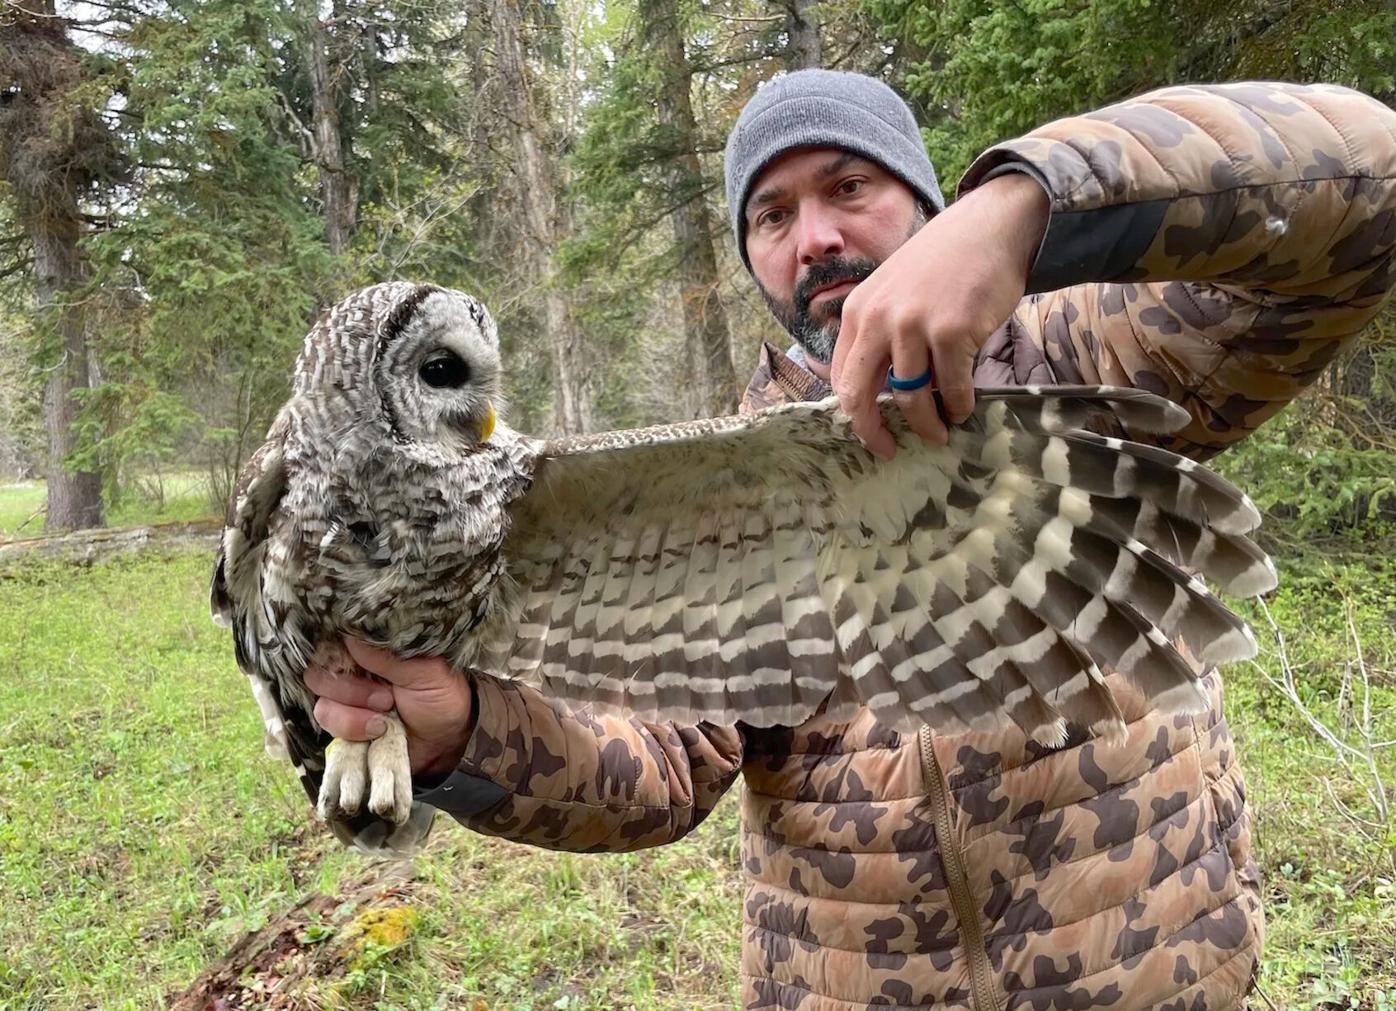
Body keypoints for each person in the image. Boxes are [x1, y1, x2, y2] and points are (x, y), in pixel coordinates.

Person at [306, 70, 1396, 1009]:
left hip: (1146, 972)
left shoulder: (1089, 350)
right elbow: (663, 770)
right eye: (770, 216)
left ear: (923, 200)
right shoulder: (713, 485)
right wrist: (468, 732)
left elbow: (1369, 182)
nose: (814, 238)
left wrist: (1027, 207)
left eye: (848, 189)